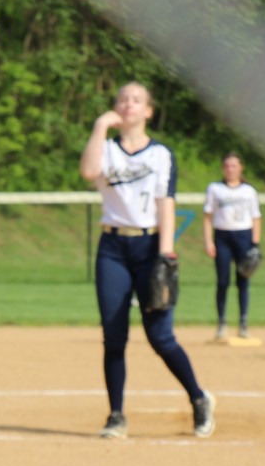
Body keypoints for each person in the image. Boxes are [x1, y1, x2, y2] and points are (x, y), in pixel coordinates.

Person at [79, 81, 215, 440]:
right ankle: (116, 416)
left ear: (148, 111)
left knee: (160, 336)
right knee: (114, 336)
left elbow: (164, 203)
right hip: (112, 248)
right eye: (123, 99)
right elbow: (89, 173)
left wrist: (166, 254)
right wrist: (98, 127)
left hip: (149, 247)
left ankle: (199, 399)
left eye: (136, 100)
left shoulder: (160, 155)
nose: (128, 104)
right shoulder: (106, 149)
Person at [203, 153, 262, 339]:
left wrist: (255, 244)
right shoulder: (215, 188)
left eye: (234, 165)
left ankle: (243, 324)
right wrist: (208, 240)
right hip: (222, 237)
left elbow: (256, 217)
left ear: (241, 168)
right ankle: (221, 324)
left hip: (243, 236)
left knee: (243, 281)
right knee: (222, 282)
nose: (230, 169)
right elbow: (207, 217)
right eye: (227, 166)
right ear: (223, 168)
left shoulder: (248, 191)